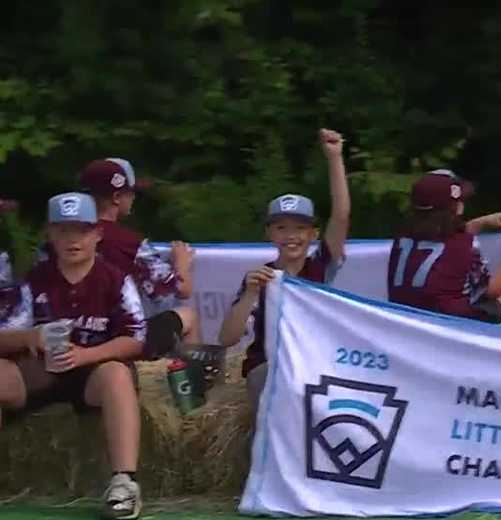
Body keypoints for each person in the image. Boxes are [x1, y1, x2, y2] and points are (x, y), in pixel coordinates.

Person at [0, 193, 147, 520]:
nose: (72, 240)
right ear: (50, 235)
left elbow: (136, 338)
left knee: (117, 374)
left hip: (93, 372)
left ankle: (124, 483)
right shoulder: (33, 280)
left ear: (97, 234)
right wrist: (28, 337)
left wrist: (86, 355)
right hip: (40, 369)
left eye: (80, 231)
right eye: (63, 231)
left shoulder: (116, 280)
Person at [218, 129, 351, 405]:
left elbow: (341, 215)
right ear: (269, 234)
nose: (291, 236)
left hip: (313, 365)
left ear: (314, 233)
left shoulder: (320, 268)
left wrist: (335, 159)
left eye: (300, 228)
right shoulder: (260, 278)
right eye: (281, 228)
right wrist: (250, 294)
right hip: (267, 369)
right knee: (269, 378)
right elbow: (227, 339)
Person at [77, 158, 198, 358]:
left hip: (73, 335)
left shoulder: (61, 239)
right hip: (117, 339)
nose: (133, 197)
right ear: (117, 197)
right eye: (130, 192)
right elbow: (180, 290)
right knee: (189, 316)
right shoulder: (130, 244)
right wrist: (182, 265)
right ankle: (192, 385)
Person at [387, 170, 501, 322]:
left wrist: (478, 223)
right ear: (456, 207)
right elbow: (492, 290)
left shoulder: (401, 238)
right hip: (446, 324)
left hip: (403, 319)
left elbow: (443, 240)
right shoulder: (465, 244)